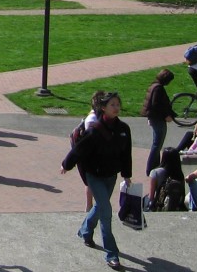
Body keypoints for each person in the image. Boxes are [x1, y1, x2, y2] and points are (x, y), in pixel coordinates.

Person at [60, 92, 133, 270]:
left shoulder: (124, 129)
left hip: (111, 175)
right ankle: (112, 254)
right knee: (106, 211)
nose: (116, 107)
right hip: (94, 175)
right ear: (103, 108)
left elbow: (126, 153)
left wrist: (126, 174)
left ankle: (85, 230)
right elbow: (79, 150)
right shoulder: (95, 129)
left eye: (117, 104)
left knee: (100, 206)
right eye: (112, 105)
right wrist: (66, 165)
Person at [141, 69, 175, 176]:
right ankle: (151, 168)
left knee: (157, 143)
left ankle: (155, 165)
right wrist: (166, 116)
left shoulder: (154, 86)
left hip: (154, 118)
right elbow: (156, 105)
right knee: (157, 144)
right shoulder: (158, 88)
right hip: (158, 118)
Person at [146, 146, 185, 212]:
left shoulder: (155, 172)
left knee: (144, 199)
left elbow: (151, 196)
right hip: (176, 205)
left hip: (160, 204)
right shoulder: (179, 173)